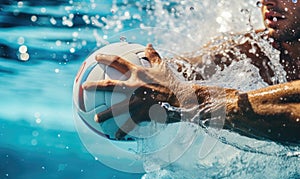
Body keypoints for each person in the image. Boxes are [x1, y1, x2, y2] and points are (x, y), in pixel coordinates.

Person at [83, 0, 300, 144]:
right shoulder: (258, 47)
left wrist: (180, 98)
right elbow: (193, 65)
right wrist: (150, 72)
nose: (268, 1)